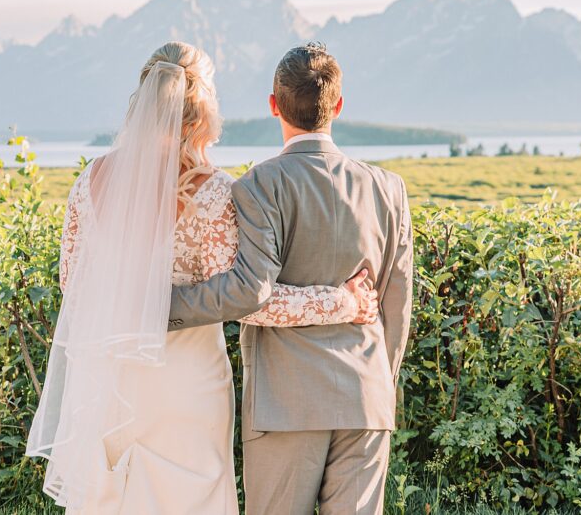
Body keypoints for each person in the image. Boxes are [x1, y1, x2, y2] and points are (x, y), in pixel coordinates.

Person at [26, 42, 378, 512]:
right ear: (204, 110)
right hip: (185, 385)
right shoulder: (215, 192)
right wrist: (344, 302)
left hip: (110, 382)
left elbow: (74, 287)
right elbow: (251, 297)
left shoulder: (89, 182)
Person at [168, 41, 414, 514]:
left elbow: (247, 291)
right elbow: (397, 304)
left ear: (273, 105)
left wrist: (158, 307)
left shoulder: (258, 185)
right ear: (338, 106)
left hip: (283, 405)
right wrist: (380, 380)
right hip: (366, 396)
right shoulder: (389, 188)